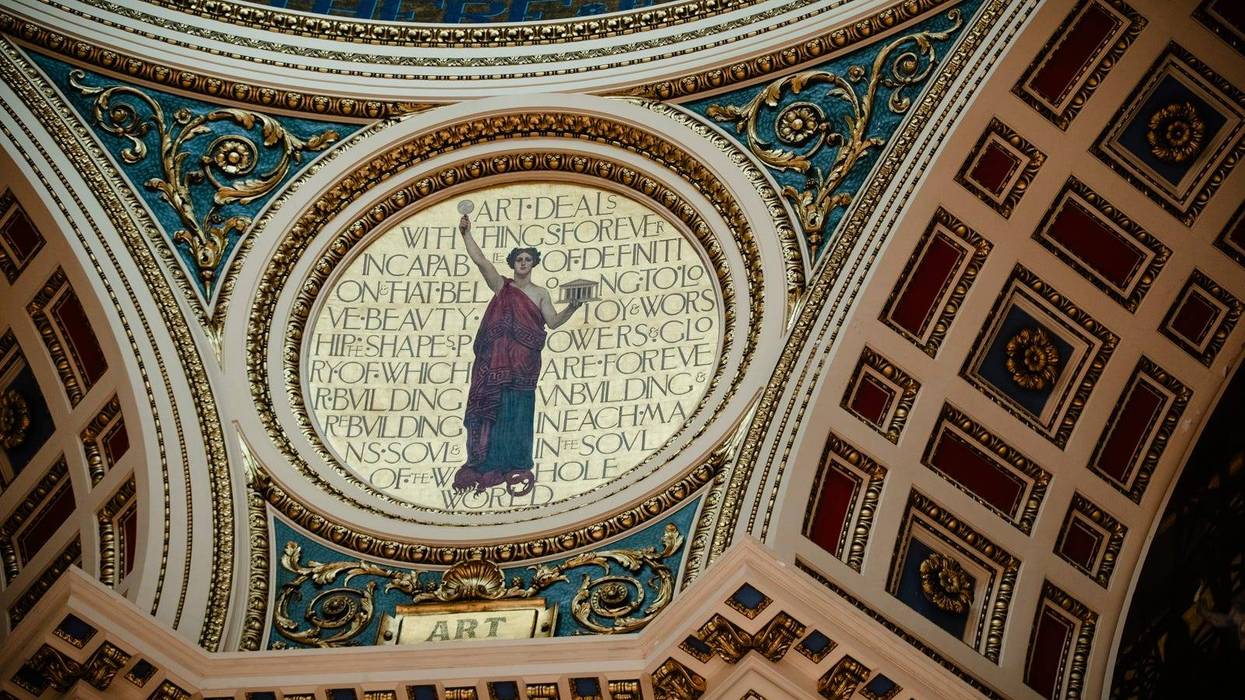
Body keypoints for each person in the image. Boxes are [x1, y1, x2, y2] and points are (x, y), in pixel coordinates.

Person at [454, 213, 584, 496]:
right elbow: (481, 262)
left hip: (525, 363)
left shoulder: (540, 293)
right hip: (497, 362)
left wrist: (572, 308)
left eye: (527, 259)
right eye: (519, 259)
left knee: (520, 411)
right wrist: (466, 234)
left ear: (533, 263)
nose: (523, 263)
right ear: (513, 264)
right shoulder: (503, 287)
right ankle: (491, 462)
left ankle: (518, 464)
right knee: (497, 408)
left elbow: (552, 322)